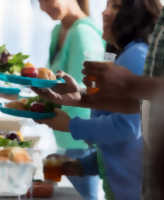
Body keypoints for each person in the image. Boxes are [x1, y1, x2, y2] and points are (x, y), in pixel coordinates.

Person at [34, 0, 161, 199]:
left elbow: (129, 127)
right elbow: (121, 146)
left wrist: (70, 125)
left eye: (116, 7)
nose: (104, 12)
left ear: (137, 16)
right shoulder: (125, 54)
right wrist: (81, 166)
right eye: (108, 5)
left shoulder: (135, 56)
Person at [37, 0, 105, 199]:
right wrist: (15, 94)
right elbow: (49, 85)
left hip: (81, 139)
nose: (43, 6)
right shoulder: (58, 31)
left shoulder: (83, 34)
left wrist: (28, 101)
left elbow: (79, 95)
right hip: (66, 137)